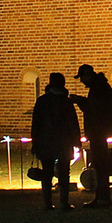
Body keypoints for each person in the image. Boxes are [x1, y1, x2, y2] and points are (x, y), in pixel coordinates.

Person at [29, 71, 81, 211]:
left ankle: (48, 203)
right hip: (64, 142)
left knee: (47, 173)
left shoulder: (42, 101)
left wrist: (35, 141)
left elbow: (36, 123)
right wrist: (77, 141)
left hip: (46, 142)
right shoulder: (66, 102)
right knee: (64, 173)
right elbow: (72, 123)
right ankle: (64, 202)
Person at [71, 63, 112, 207]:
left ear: (88, 75)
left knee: (101, 165)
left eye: (82, 78)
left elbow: (94, 108)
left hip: (99, 131)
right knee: (99, 165)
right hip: (99, 131)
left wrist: (80, 101)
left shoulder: (99, 88)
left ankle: (102, 198)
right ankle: (101, 197)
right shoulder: (100, 86)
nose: (81, 81)